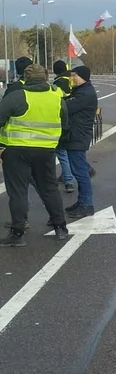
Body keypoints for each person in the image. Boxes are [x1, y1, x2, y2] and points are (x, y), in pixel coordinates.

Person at [0, 64, 69, 247]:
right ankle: (60, 227)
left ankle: (17, 233)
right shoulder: (57, 97)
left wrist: (2, 147)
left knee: (18, 192)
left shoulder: (17, 96)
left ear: (26, 77)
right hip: (46, 151)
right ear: (46, 77)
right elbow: (66, 126)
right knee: (49, 189)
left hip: (17, 151)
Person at [61, 65, 98, 220]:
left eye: (75, 75)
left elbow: (65, 107)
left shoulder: (85, 94)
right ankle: (82, 201)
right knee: (79, 170)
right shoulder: (80, 91)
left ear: (83, 76)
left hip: (78, 136)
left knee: (81, 172)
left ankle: (87, 205)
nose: (72, 78)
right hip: (74, 136)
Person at [52, 60, 76, 193]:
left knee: (60, 152)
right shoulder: (72, 79)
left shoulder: (58, 83)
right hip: (73, 119)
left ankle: (67, 180)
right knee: (68, 151)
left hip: (61, 120)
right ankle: (68, 180)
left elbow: (56, 101)